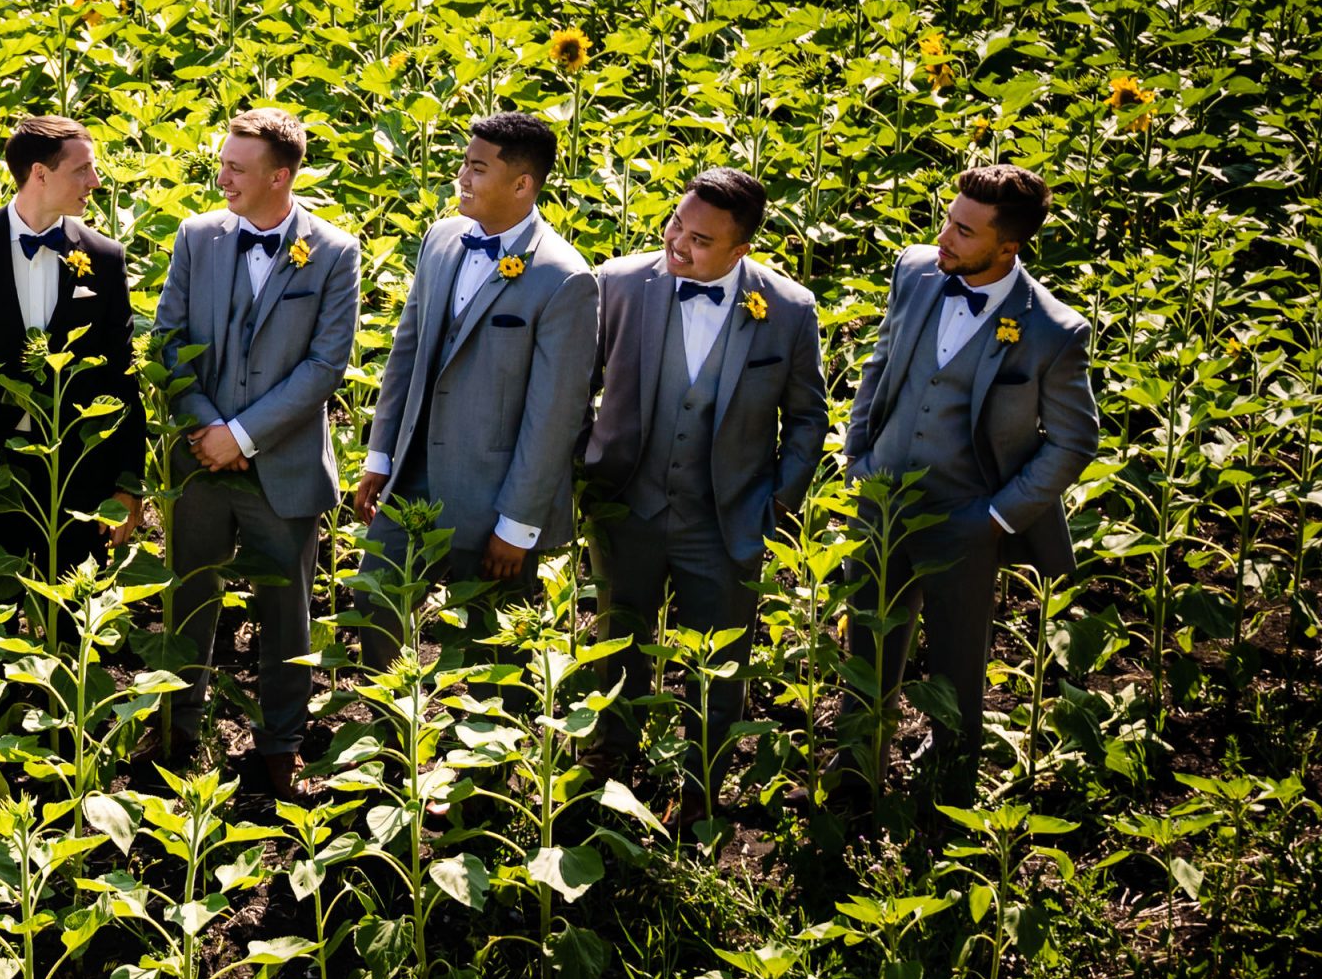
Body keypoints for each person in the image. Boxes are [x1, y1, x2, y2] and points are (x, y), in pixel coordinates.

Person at [841, 164, 1100, 814]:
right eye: (947, 218)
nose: (943, 237)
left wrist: (995, 517)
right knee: (866, 648)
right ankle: (854, 780)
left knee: (957, 669)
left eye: (963, 229)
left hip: (967, 519)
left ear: (1007, 247)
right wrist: (858, 456)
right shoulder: (917, 270)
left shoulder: (1051, 330)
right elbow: (881, 358)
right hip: (882, 498)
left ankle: (945, 797)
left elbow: (1074, 440)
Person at [576, 169, 828, 805]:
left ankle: (702, 786)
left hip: (727, 517)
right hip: (626, 503)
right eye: (675, 225)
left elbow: (807, 417)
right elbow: (574, 383)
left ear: (741, 250)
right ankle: (608, 764)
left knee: (721, 663)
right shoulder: (621, 283)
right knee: (616, 641)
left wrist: (778, 499)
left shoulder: (789, 310)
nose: (678, 245)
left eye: (700, 241)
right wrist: (583, 465)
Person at [148, 109, 361, 801]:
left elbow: (326, 364)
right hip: (199, 462)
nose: (222, 177)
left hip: (283, 466)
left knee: (286, 611)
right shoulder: (196, 236)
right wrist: (207, 427)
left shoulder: (333, 252)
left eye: (237, 167)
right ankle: (179, 728)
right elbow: (169, 340)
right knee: (189, 598)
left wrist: (242, 436)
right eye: (223, 163)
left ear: (281, 175)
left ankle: (279, 745)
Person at [0, 114, 147, 742]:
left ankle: (72, 747)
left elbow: (121, 376)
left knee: (78, 616)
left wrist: (128, 480)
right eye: (84, 169)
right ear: (40, 173)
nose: (95, 182)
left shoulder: (103, 255)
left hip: (77, 467)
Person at [355, 112, 598, 663]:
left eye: (477, 168)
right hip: (413, 479)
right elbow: (408, 352)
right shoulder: (441, 239)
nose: (461, 177)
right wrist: (380, 455)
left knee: (493, 651)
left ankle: (493, 748)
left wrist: (516, 525)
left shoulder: (564, 277)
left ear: (522, 184)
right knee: (372, 601)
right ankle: (396, 736)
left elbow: (554, 415)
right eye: (463, 163)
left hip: (494, 500)